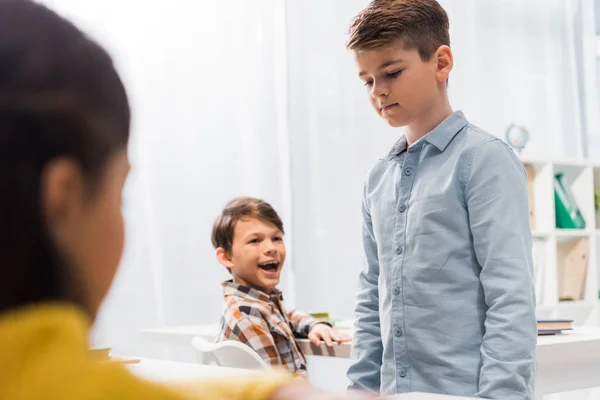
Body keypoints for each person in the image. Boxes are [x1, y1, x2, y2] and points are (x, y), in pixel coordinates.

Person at [0, 1, 366, 399]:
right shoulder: (244, 313)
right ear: (63, 201)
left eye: (275, 237)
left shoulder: (263, 300)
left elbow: (284, 313)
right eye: (118, 196)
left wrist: (309, 326)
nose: (271, 248)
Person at [345, 1, 536, 398]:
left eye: (392, 73)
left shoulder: (485, 160)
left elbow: (510, 297)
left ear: (441, 63)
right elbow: (370, 295)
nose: (379, 91)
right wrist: (361, 389)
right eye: (367, 81)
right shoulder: (378, 178)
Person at [213, 197, 351, 377]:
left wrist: (314, 325)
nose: (271, 248)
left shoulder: (258, 303)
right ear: (226, 257)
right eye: (255, 241)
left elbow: (288, 316)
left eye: (276, 238)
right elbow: (279, 390)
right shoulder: (247, 316)